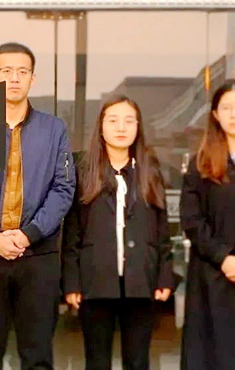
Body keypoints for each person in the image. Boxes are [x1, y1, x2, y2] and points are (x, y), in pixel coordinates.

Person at [0, 43, 76, 370]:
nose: (14, 78)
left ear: (33, 79)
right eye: (6, 71)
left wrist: (28, 234)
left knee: (37, 357)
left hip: (37, 256)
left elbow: (63, 189)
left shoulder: (54, 129)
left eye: (22, 72)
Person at [62, 96, 173, 370]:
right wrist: (72, 282)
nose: (121, 127)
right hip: (95, 281)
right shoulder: (84, 172)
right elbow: (73, 233)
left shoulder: (150, 172)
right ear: (101, 127)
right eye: (113, 120)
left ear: (138, 127)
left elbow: (162, 231)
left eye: (128, 121)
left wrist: (164, 275)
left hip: (141, 281)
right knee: (97, 360)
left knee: (138, 360)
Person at [180, 80, 235, 370]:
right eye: (226, 108)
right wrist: (224, 258)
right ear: (215, 114)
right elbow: (191, 220)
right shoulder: (200, 164)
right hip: (212, 278)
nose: (234, 114)